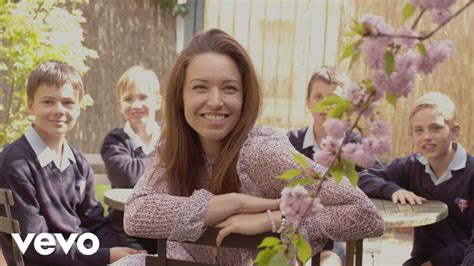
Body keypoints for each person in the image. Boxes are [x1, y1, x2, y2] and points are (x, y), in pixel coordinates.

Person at [114, 29, 384, 265]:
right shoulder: (175, 148)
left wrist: (274, 219)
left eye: (229, 88)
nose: (215, 101)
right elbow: (137, 214)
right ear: (180, 97)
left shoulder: (260, 153)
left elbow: (365, 215)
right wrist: (234, 203)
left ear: (245, 97)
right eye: (200, 87)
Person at [0, 61, 143, 265]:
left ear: (78, 107)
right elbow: (34, 243)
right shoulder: (17, 161)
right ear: (30, 105)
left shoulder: (77, 161)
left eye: (67, 102)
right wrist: (106, 256)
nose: (59, 110)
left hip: (79, 256)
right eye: (48, 102)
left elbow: (95, 222)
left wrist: (118, 252)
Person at [358, 92, 473, 266]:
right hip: (421, 260)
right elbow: (364, 177)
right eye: (419, 130)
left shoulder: (471, 173)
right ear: (411, 135)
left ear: (455, 131)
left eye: (436, 128)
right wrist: (393, 189)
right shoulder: (412, 166)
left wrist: (435, 263)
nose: (427, 136)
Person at [287, 66, 357, 265]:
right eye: (318, 96)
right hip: (296, 226)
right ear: (308, 102)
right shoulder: (292, 143)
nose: (326, 104)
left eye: (333, 98)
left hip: (336, 231)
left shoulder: (354, 145)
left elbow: (373, 176)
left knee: (330, 262)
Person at [100, 65, 161, 253]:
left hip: (165, 230)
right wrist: (165, 161)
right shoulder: (115, 140)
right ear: (120, 105)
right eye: (128, 99)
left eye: (143, 97)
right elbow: (126, 176)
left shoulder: (172, 139)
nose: (136, 105)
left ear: (157, 102)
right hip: (126, 231)